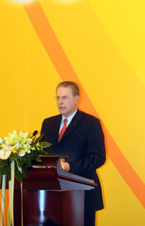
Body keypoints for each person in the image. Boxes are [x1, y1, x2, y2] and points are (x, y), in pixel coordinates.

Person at [41, 81, 106, 226]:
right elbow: (42, 154)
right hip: (51, 195)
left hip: (82, 196)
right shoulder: (48, 123)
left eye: (65, 98)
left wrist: (70, 167)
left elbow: (98, 157)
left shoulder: (91, 123)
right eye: (57, 98)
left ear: (76, 99)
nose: (60, 102)